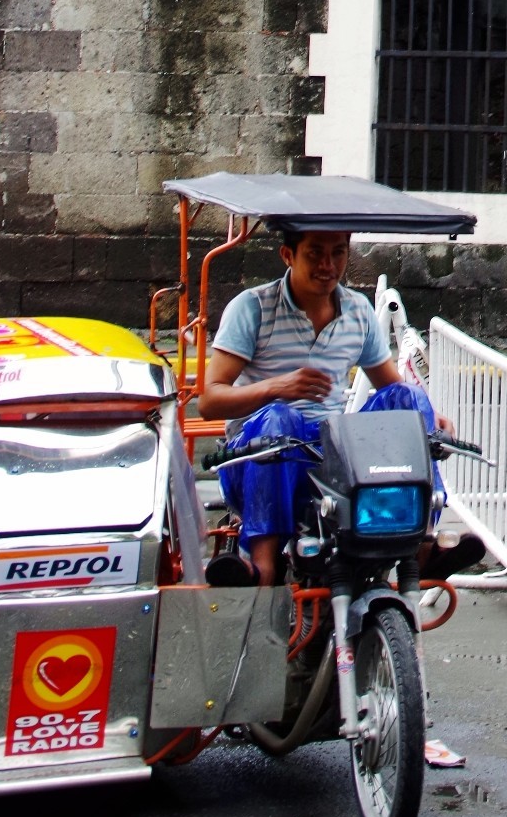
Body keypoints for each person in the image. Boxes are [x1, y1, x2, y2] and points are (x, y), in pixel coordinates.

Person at [200, 225, 482, 587]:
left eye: (338, 253)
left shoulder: (357, 310)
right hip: (258, 460)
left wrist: (428, 417)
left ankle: (424, 546)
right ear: (288, 255)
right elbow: (210, 401)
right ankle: (264, 567)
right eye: (314, 253)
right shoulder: (251, 308)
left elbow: (391, 387)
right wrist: (276, 387)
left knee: (410, 398)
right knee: (280, 416)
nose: (328, 265)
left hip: (330, 459)